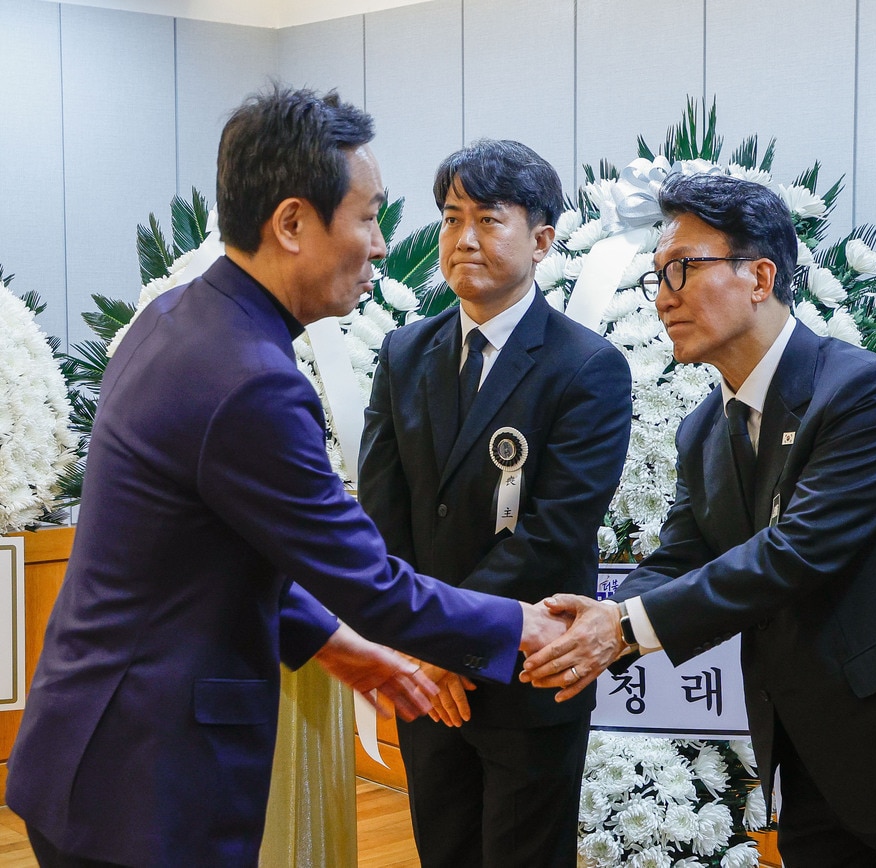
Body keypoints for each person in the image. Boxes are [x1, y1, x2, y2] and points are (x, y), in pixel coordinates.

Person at [6, 87, 565, 868]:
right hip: (147, 783)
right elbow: (369, 581)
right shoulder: (248, 380)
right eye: (368, 216)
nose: (379, 243)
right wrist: (522, 628)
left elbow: (215, 545)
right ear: (294, 223)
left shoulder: (177, 321)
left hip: (94, 751)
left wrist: (338, 646)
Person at [520, 173, 876, 867]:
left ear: (759, 276)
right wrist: (597, 620)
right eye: (657, 277)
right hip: (810, 757)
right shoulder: (702, 429)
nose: (663, 297)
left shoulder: (862, 391)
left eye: (683, 270)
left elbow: (798, 551)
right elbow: (681, 555)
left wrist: (623, 627)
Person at [357, 139, 631, 868]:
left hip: (527, 679)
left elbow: (552, 533)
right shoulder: (403, 353)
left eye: (488, 219)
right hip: (428, 681)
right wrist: (422, 647)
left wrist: (450, 646)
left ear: (542, 240)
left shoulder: (588, 367)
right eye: (451, 219)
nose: (463, 239)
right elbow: (383, 520)